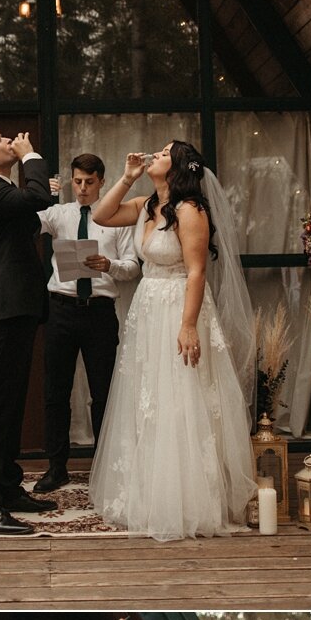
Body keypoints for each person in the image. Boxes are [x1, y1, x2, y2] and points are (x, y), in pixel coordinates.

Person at [86, 140, 256, 541]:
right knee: (148, 399)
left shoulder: (189, 210)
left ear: (178, 166)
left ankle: (188, 501)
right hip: (147, 310)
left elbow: (197, 272)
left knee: (181, 397)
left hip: (179, 305)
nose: (154, 156)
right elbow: (101, 213)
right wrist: (126, 178)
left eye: (163, 153)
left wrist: (188, 325)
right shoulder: (148, 205)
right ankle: (149, 496)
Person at [0, 125, 57, 534]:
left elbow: (30, 214)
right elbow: (35, 198)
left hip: (18, 307)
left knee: (12, 403)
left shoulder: (1, 191)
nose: (9, 141)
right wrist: (31, 157)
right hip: (2, 309)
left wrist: (38, 185)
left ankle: (7, 488)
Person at [33, 152, 139, 492]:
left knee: (103, 392)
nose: (82, 188)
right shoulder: (58, 212)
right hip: (60, 309)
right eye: (77, 181)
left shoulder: (116, 216)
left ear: (101, 182)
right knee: (55, 392)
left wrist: (109, 265)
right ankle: (56, 467)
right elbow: (25, 222)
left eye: (89, 183)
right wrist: (39, 193)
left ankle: (104, 467)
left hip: (99, 312)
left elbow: (133, 266)